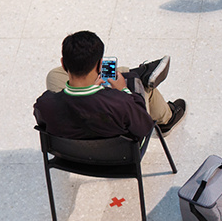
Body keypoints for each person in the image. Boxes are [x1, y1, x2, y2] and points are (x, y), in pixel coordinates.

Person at [35, 30, 186, 140]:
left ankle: (125, 75)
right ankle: (167, 117)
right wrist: (124, 91)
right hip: (117, 159)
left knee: (54, 75)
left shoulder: (44, 104)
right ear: (100, 65)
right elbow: (144, 128)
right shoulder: (120, 102)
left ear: (63, 63)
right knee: (139, 84)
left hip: (69, 156)